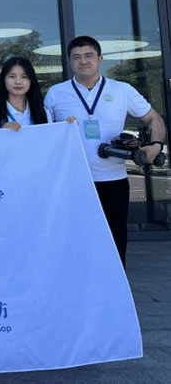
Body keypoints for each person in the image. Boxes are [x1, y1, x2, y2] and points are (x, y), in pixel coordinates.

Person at [44, 36, 166, 266]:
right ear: (70, 61)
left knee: (114, 236)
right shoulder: (56, 93)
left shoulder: (122, 90)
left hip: (113, 179)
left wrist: (155, 145)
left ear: (100, 59)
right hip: (73, 180)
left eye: (89, 55)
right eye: (76, 57)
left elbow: (154, 118)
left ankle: (115, 283)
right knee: (76, 237)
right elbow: (44, 134)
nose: (83, 61)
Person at [0, 57, 49, 130]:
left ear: (31, 80)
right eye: (12, 76)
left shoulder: (43, 112)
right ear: (3, 79)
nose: (18, 82)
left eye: (24, 77)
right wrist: (2, 132)